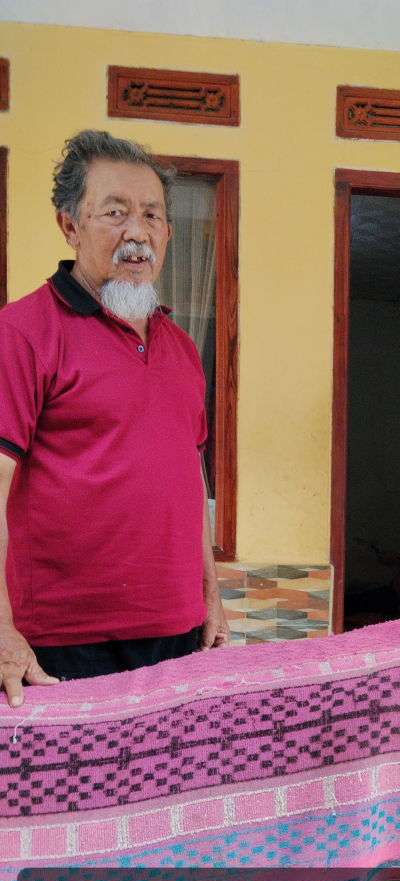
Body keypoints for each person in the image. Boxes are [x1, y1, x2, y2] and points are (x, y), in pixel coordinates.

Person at [0, 130, 229, 705]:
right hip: (63, 644)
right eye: (114, 212)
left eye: (152, 215)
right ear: (70, 226)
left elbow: (190, 478)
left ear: (168, 233)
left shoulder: (181, 348)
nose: (137, 233)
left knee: (177, 767)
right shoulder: (22, 332)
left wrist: (211, 596)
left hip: (178, 630)